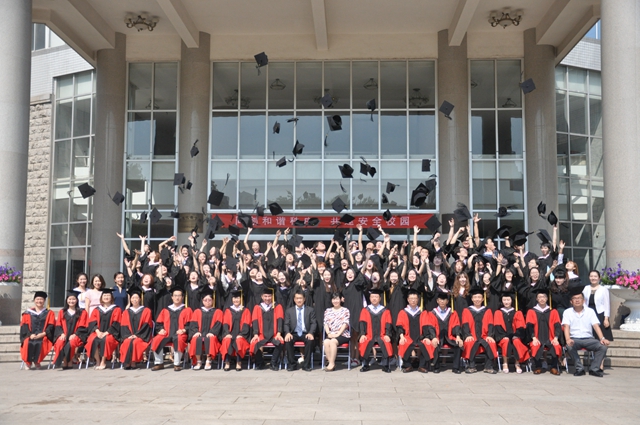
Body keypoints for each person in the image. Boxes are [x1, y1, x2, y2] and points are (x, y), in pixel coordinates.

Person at [563, 287, 610, 377]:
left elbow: (596, 326)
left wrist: (602, 338)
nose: (577, 300)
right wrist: (568, 339)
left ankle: (594, 369)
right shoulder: (567, 312)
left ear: (583, 300)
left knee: (602, 347)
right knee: (569, 346)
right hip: (575, 339)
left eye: (579, 298)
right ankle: (579, 369)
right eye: (575, 298)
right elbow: (566, 327)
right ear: (571, 301)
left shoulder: (590, 311)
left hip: (589, 339)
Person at [151, 287, 192, 371]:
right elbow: (159, 323)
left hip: (180, 334)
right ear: (172, 297)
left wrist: (184, 330)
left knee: (179, 339)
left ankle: (177, 364)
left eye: (179, 296)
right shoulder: (165, 310)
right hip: (166, 333)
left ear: (182, 297)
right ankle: (159, 363)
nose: (177, 298)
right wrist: (160, 329)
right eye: (175, 296)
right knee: (156, 339)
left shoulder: (187, 310)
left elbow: (191, 324)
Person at [461, 286, 498, 374]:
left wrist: (490, 335)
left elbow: (491, 324)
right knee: (469, 342)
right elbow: (465, 324)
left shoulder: (487, 311)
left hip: (484, 336)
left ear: (482, 299)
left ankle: (488, 366)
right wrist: (468, 335)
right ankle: (471, 366)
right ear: (472, 299)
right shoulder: (466, 310)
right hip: (472, 335)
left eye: (479, 297)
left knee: (491, 342)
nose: (477, 299)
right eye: (475, 297)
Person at [425, 292, 464, 374]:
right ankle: (436, 367)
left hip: (450, 336)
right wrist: (433, 337)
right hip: (438, 336)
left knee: (458, 345)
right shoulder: (432, 313)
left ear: (447, 301)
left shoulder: (452, 312)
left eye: (444, 300)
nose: (442, 301)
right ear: (437, 301)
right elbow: (430, 326)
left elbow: (456, 325)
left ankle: (456, 367)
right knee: (435, 345)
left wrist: (458, 336)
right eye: (440, 300)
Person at [526, 288, 562, 375]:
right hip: (537, 337)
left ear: (547, 298)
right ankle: (538, 366)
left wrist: (556, 338)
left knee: (556, 346)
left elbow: (557, 326)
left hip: (551, 337)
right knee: (535, 346)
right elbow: (529, 326)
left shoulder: (553, 312)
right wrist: (534, 338)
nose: (542, 299)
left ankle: (553, 367)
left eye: (544, 297)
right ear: (537, 299)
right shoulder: (531, 311)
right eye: (540, 297)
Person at [396, 290, 434, 373]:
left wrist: (427, 337)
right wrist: (401, 337)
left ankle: (422, 366)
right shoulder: (403, 312)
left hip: (420, 337)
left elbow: (426, 326)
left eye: (415, 298)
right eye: (411, 298)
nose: (413, 300)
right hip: (407, 336)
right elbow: (399, 326)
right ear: (408, 300)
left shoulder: (422, 312)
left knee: (427, 344)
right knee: (403, 343)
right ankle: (408, 366)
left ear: (418, 300)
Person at [583, 270, 614, 370]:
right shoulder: (586, 288)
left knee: (602, 340)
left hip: (600, 314)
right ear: (589, 278)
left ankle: (601, 362)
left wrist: (606, 318)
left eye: (595, 276)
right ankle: (595, 361)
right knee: (593, 340)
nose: (593, 278)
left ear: (599, 278)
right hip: (589, 315)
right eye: (591, 276)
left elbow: (606, 305)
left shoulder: (603, 289)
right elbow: (583, 303)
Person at [85, 288, 122, 370]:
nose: (106, 297)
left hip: (111, 333)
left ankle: (103, 361)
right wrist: (98, 332)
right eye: (104, 295)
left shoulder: (117, 309)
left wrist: (106, 333)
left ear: (111, 297)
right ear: (101, 297)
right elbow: (92, 322)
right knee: (91, 340)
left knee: (107, 339)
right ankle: (97, 361)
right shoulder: (96, 309)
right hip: (98, 332)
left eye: (108, 295)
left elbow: (116, 323)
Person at [358, 289, 393, 373]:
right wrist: (362, 334)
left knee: (386, 342)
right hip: (369, 335)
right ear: (369, 298)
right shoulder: (365, 310)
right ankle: (365, 365)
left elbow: (388, 323)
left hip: (382, 335)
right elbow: (362, 323)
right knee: (364, 341)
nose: (374, 298)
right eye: (372, 297)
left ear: (380, 298)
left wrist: (387, 334)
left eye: (376, 297)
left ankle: (385, 365)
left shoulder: (385, 310)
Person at [493, 291, 529, 374]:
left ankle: (517, 363)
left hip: (515, 336)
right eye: (504, 300)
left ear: (512, 300)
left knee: (516, 341)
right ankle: (505, 363)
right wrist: (504, 336)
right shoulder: (498, 312)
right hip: (503, 337)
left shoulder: (517, 313)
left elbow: (520, 326)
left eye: (508, 300)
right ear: (501, 301)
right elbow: (497, 326)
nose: (506, 302)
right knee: (506, 341)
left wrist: (516, 335)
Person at [188, 287, 223, 370]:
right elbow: (193, 324)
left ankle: (208, 361)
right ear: (202, 301)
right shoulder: (197, 311)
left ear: (213, 300)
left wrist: (212, 332)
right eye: (205, 300)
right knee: (195, 338)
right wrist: (196, 331)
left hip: (211, 334)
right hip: (200, 333)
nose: (207, 302)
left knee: (210, 338)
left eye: (209, 300)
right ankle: (198, 361)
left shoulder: (218, 312)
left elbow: (218, 324)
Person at [250, 288, 284, 371]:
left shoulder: (277, 306)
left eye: (269, 296)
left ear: (272, 296)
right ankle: (260, 362)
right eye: (265, 296)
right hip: (262, 334)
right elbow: (255, 321)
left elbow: (280, 319)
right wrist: (255, 334)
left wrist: (279, 333)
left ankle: (273, 363)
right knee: (254, 343)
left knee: (280, 342)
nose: (267, 298)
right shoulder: (257, 307)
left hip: (274, 334)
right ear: (262, 297)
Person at [20, 291, 56, 369]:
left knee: (41, 342)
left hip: (44, 335)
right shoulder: (27, 313)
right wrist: (30, 335)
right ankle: (28, 362)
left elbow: (51, 325)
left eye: (41, 299)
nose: (39, 301)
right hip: (30, 335)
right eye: (37, 299)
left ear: (44, 301)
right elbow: (24, 326)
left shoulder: (49, 313)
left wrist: (44, 333)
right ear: (34, 300)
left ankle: (37, 362)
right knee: (27, 342)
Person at [119, 288, 153, 370]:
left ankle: (133, 362)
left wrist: (137, 335)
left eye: (136, 298)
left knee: (135, 342)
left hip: (142, 336)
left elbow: (147, 325)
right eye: (133, 298)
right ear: (130, 300)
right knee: (127, 341)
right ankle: (127, 362)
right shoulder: (126, 312)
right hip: (129, 336)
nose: (135, 300)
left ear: (140, 299)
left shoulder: (146, 311)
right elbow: (123, 325)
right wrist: (128, 335)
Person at [53, 291, 88, 369]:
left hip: (78, 335)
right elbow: (58, 324)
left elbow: (83, 325)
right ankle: (64, 361)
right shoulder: (62, 312)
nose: (71, 301)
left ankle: (68, 361)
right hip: (64, 334)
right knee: (60, 342)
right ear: (66, 300)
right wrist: (61, 333)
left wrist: (75, 334)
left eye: (73, 299)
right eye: (69, 299)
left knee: (71, 343)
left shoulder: (82, 312)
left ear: (77, 300)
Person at [283, 291, 317, 371]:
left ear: (304, 299)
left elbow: (313, 323)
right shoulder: (289, 311)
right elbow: (286, 324)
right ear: (294, 299)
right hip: (294, 333)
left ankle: (306, 365)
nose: (299, 300)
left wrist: (311, 333)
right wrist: (287, 333)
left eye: (301, 298)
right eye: (297, 298)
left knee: (310, 341)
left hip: (306, 333)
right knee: (288, 341)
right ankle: (292, 364)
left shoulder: (310, 310)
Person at [220, 290, 252, 371]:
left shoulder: (245, 310)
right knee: (227, 340)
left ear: (241, 299)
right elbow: (225, 323)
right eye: (234, 298)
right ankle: (227, 362)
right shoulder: (228, 310)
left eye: (238, 298)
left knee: (239, 340)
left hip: (241, 335)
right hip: (230, 334)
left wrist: (241, 334)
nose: (236, 300)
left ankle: (239, 362)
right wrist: (227, 333)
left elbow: (246, 324)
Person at [323, 292, 351, 371]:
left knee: (333, 342)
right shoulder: (328, 311)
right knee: (326, 342)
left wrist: (338, 334)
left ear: (341, 299)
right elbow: (325, 324)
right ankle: (331, 362)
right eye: (333, 299)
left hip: (343, 334)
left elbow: (345, 324)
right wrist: (328, 333)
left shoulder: (345, 310)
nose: (335, 301)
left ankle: (331, 364)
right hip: (331, 333)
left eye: (337, 299)